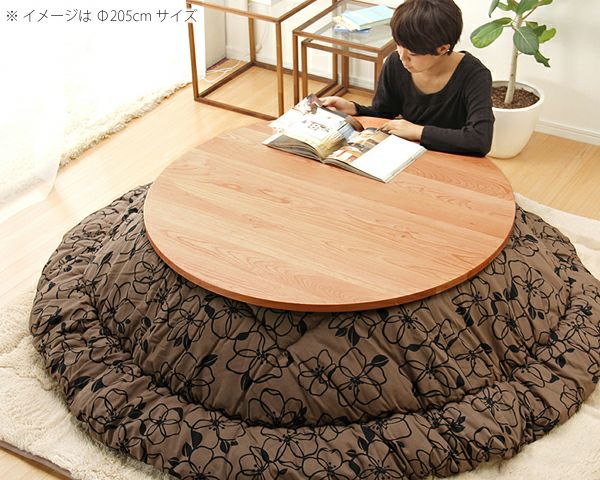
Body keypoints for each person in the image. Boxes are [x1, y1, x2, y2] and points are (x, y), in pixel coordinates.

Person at [321, 0, 494, 157]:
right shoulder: (396, 63)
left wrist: (418, 131)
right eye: (399, 45)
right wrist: (353, 108)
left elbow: (479, 140)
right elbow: (383, 113)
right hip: (406, 154)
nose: (402, 57)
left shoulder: (474, 76)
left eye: (413, 53)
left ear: (442, 49)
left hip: (453, 159)